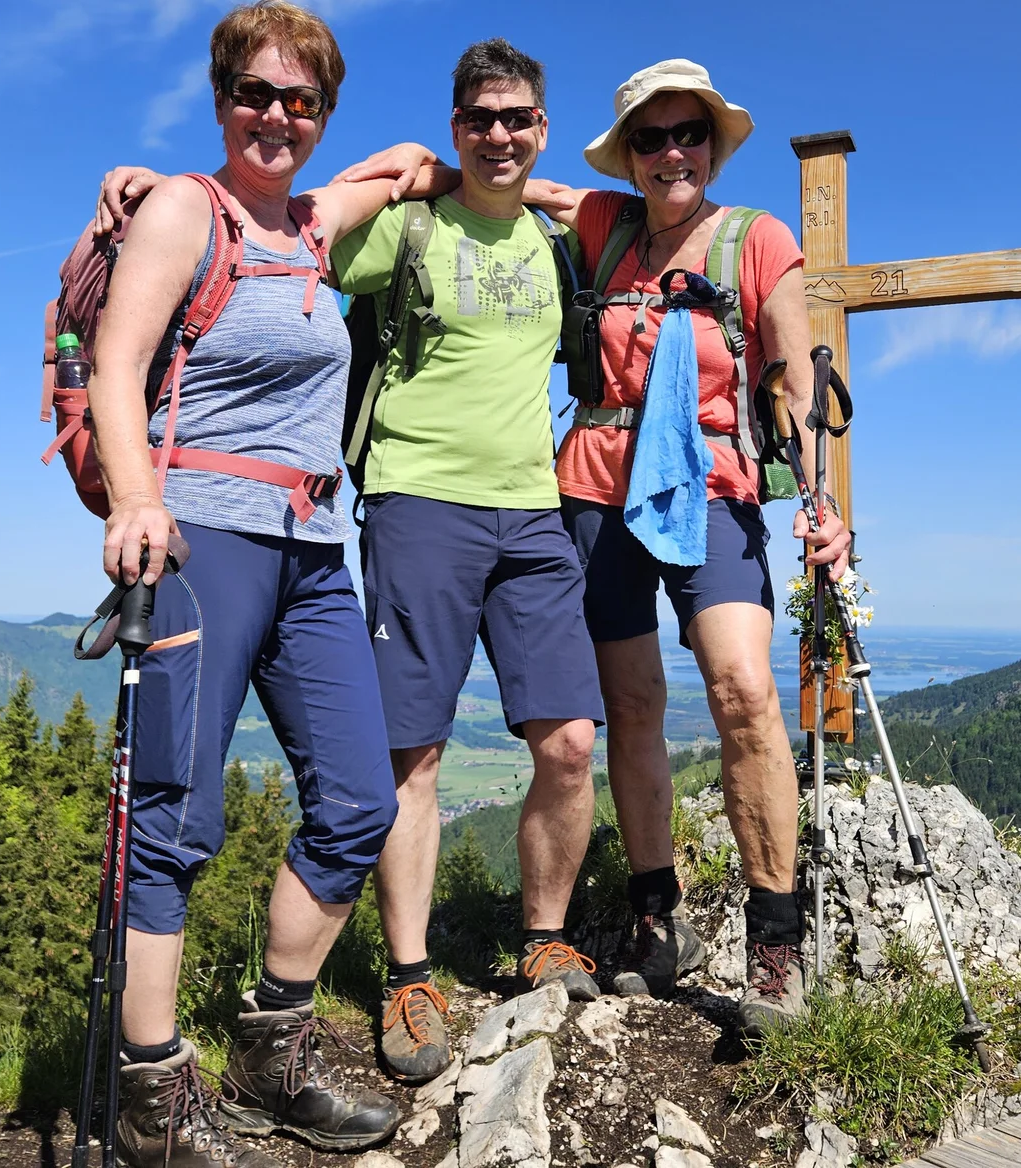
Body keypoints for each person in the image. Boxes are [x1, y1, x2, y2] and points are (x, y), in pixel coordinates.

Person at [100, 39, 607, 1091]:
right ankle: (392, 980)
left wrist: (569, 200)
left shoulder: (564, 242)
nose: (500, 135)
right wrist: (155, 198)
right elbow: (329, 202)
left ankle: (302, 1041)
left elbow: (651, 231)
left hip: (463, 515)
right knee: (356, 771)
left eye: (518, 120)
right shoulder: (390, 227)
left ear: (543, 129)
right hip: (377, 507)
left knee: (543, 749)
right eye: (481, 119)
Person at [341, 59, 849, 1039]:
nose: (672, 154)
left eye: (688, 135)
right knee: (628, 706)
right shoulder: (603, 225)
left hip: (716, 489)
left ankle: (776, 951)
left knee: (743, 690)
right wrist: (412, 162)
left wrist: (821, 498)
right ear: (630, 154)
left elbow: (790, 378)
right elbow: (498, 175)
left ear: (714, 142)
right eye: (651, 140)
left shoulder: (756, 238)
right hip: (589, 493)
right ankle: (656, 913)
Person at [87, 0, 417, 1168]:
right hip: (201, 539)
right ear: (222, 95)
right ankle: (151, 1094)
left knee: (358, 805)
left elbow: (412, 166)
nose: (278, 116)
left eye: (302, 99)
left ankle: (271, 1057)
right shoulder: (187, 208)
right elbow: (117, 366)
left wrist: (554, 198)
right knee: (173, 816)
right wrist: (137, 502)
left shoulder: (317, 224)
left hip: (318, 546)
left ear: (324, 113)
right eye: (256, 93)